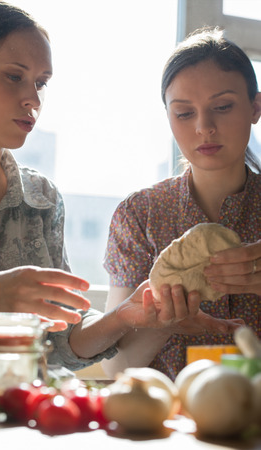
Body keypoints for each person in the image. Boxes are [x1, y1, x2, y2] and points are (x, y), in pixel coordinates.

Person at [0, 0, 217, 375]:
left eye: (41, 82)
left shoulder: (43, 199)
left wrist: (124, 316)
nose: (33, 98)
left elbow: (63, 342)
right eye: (14, 76)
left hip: (16, 421)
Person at [102, 26, 261, 380]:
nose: (205, 127)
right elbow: (117, 368)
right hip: (167, 421)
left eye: (222, 106)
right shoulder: (140, 215)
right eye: (184, 113)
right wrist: (165, 322)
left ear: (255, 107)